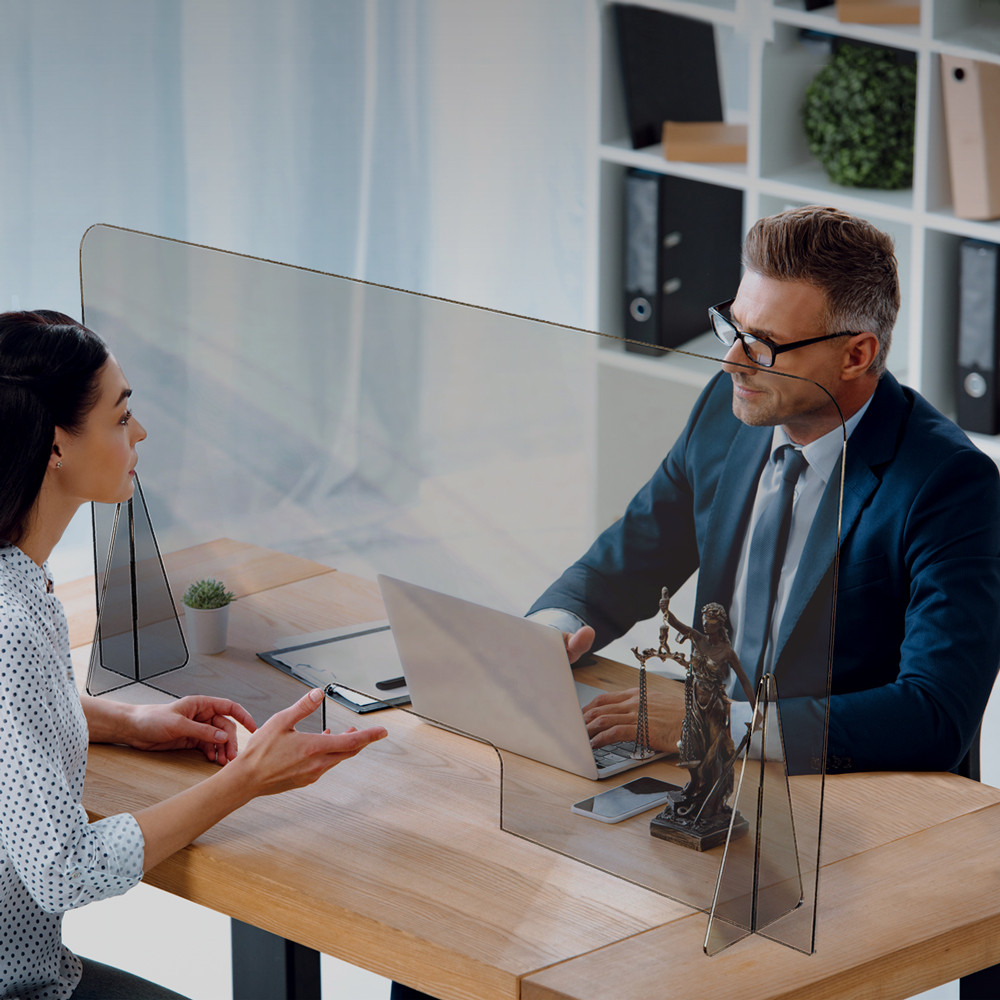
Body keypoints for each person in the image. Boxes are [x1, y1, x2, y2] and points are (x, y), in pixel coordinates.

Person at [529, 205, 1000, 776]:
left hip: (842, 792)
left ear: (857, 354)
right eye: (733, 326)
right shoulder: (727, 414)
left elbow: (935, 716)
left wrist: (718, 724)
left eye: (765, 344)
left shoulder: (951, 484)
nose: (731, 361)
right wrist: (542, 641)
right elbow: (624, 564)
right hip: (708, 765)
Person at [0, 310, 388, 1000]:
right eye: (121, 418)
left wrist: (129, 723)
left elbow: (11, 718)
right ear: (55, 445)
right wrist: (247, 780)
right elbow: (64, 869)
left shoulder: (17, 584)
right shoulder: (11, 623)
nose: (139, 433)